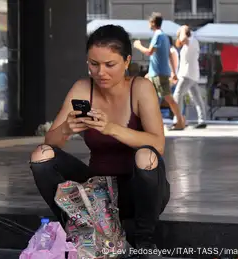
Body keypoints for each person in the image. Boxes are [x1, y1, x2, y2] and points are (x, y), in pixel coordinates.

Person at [29, 25, 170, 258]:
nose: (100, 72)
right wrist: (65, 129)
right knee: (41, 155)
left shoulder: (141, 88)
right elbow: (51, 141)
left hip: (138, 192)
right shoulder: (83, 88)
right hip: (98, 193)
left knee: (146, 154)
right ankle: (78, 227)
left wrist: (111, 128)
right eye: (94, 64)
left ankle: (144, 239)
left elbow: (158, 143)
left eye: (109, 65)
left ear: (126, 61)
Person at [133, 12, 185, 130]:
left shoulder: (158, 36)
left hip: (159, 74)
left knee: (168, 99)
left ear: (152, 23)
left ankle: (180, 121)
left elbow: (149, 52)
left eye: (149, 22)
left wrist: (138, 45)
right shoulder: (165, 37)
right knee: (149, 97)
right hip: (156, 73)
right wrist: (174, 73)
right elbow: (169, 56)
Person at [174, 25, 207, 129]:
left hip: (187, 74)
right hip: (192, 74)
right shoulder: (191, 42)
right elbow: (178, 43)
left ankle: (178, 120)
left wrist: (183, 28)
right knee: (196, 97)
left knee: (177, 95)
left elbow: (182, 39)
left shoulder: (191, 40)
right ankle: (202, 120)